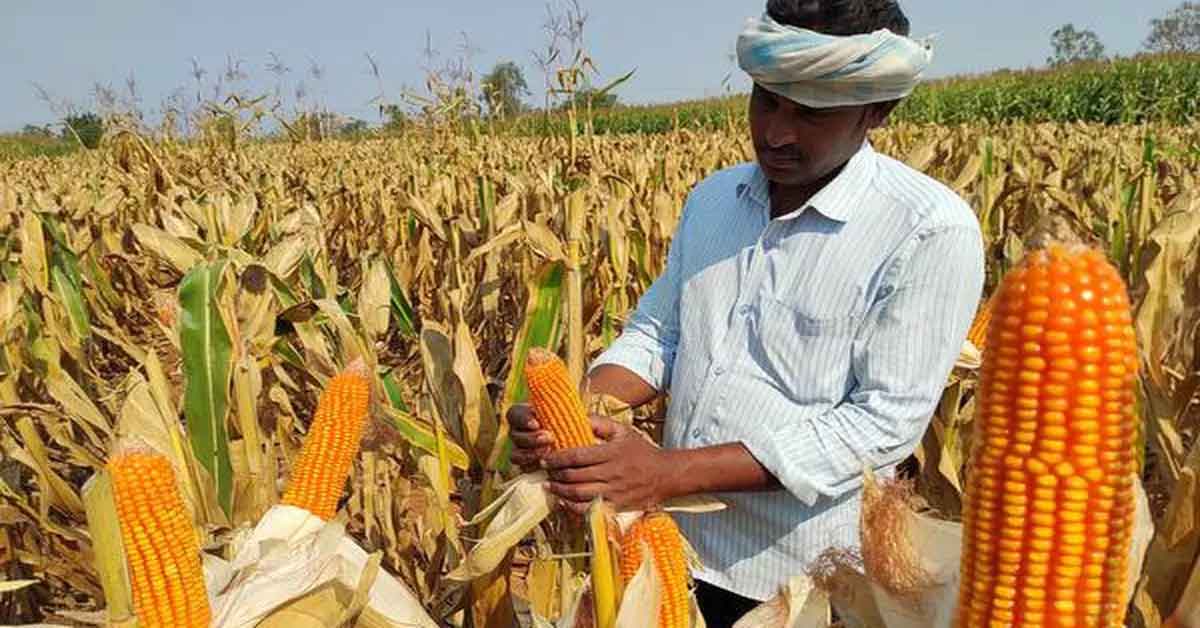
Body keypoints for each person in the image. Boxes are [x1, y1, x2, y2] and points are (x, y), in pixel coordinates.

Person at [507, 0, 985, 625]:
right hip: (668, 551)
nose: (777, 133)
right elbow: (660, 335)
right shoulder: (713, 200)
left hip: (807, 581)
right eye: (767, 100)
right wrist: (570, 409)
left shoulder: (927, 230)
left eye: (811, 112)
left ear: (877, 111)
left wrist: (667, 474)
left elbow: (881, 425)